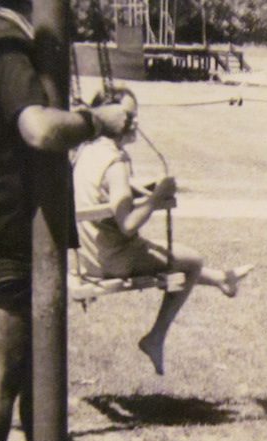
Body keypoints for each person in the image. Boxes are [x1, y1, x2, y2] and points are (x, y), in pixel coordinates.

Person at [0, 0, 132, 441]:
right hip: (10, 227)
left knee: (21, 366)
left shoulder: (8, 38)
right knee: (6, 366)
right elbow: (39, 129)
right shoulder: (6, 44)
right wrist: (97, 122)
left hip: (16, 221)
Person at [72, 86, 253, 377]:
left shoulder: (88, 150)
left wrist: (144, 186)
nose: (134, 123)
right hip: (115, 260)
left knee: (177, 258)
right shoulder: (116, 162)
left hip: (88, 256)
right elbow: (128, 224)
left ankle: (223, 279)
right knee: (192, 260)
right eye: (128, 116)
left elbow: (106, 191)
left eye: (135, 116)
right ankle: (155, 338)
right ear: (108, 117)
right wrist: (158, 198)